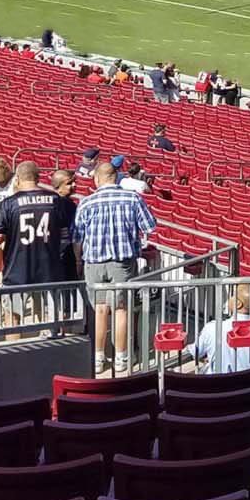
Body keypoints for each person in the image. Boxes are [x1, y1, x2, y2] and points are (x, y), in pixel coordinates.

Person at [74, 159, 158, 375]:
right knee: (121, 309)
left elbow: (77, 236)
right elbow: (150, 226)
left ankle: (98, 358)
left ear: (97, 179)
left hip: (94, 263)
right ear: (116, 177)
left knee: (100, 310)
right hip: (122, 263)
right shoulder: (132, 198)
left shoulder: (86, 202)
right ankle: (122, 357)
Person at [0, 161, 77, 326]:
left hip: (16, 270)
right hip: (49, 270)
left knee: (12, 318)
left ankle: (15, 350)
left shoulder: (9, 203)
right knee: (48, 317)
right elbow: (65, 238)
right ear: (38, 177)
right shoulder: (55, 200)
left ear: (18, 179)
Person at [181, 281, 250, 374]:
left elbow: (194, 352)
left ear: (238, 304)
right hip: (248, 386)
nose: (230, 298)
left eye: (233, 296)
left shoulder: (212, 328)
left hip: (216, 386)